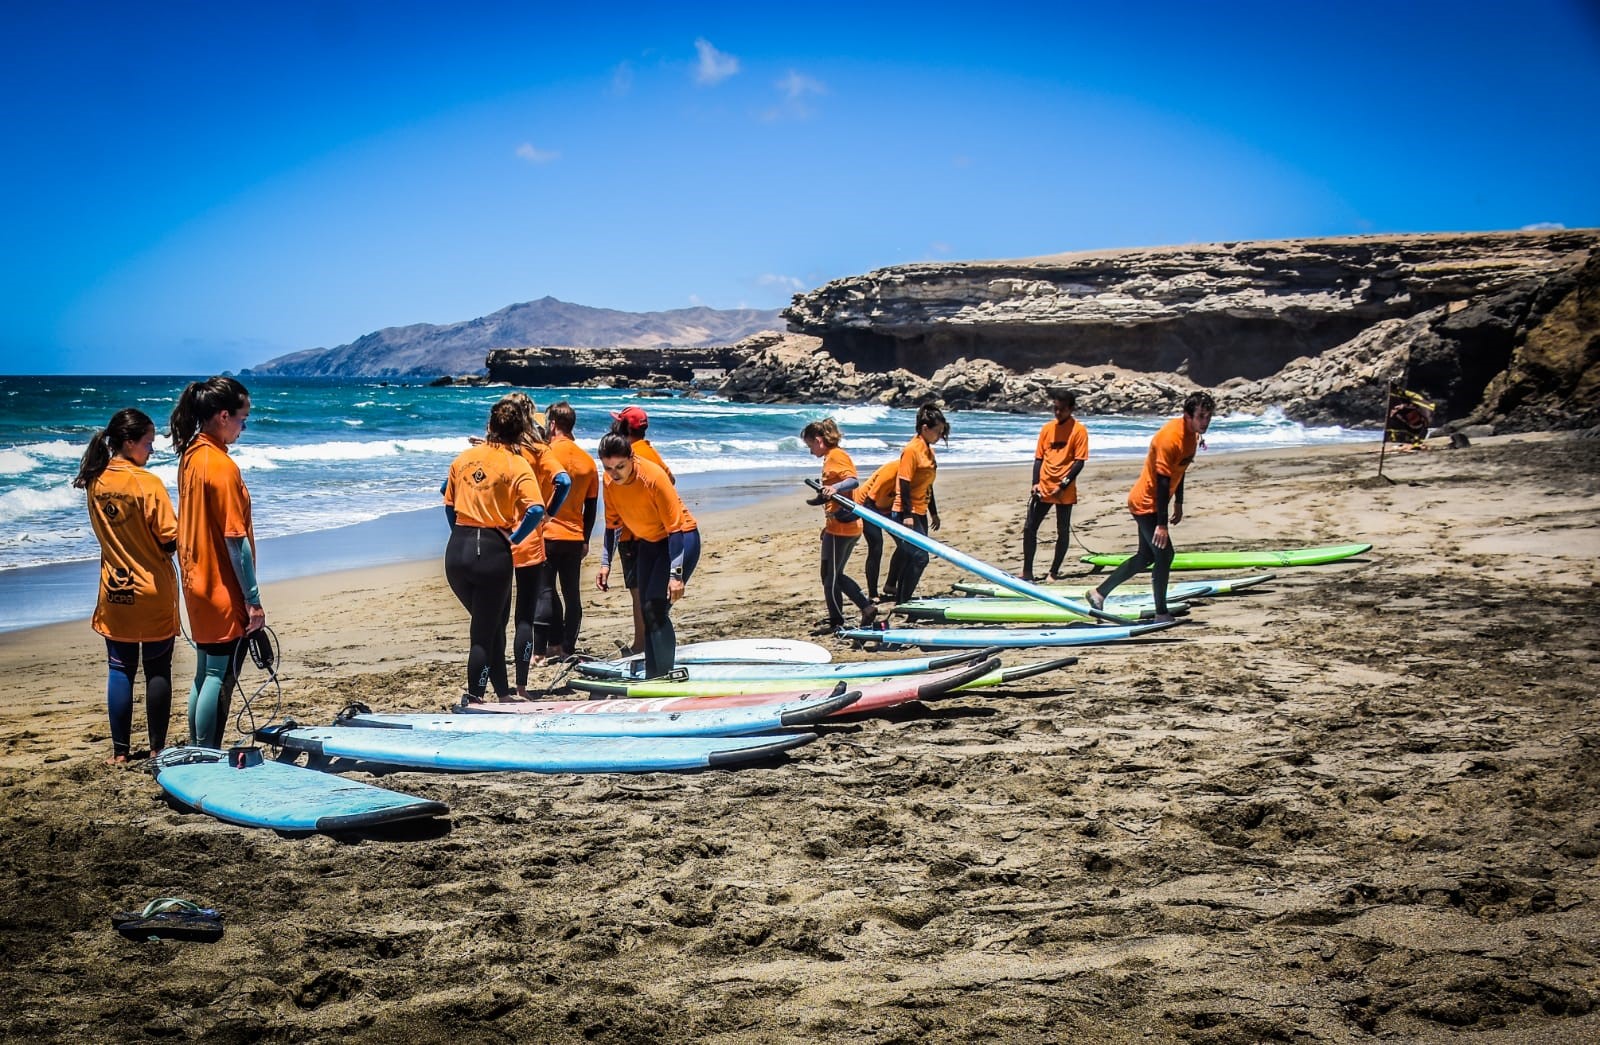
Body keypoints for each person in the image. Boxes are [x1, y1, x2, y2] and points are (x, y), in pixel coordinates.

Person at [74, 408, 178, 763]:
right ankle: (157, 748)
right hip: (151, 589)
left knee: (120, 668)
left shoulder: (94, 480)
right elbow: (168, 538)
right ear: (130, 442)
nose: (151, 451)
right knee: (157, 669)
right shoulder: (147, 483)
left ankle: (119, 753)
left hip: (114, 590)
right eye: (148, 443)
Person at [170, 376, 259, 748]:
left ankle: (196, 747)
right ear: (223, 416)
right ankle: (206, 752)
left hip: (196, 582)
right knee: (218, 677)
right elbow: (234, 541)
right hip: (222, 585)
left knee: (204, 671)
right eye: (242, 417)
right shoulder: (221, 466)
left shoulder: (191, 455)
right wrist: (253, 600)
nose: (243, 426)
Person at [442, 399, 546, 703]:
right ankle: (475, 699)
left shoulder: (463, 458)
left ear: (490, 425)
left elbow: (449, 505)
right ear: (520, 431)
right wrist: (515, 538)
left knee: (491, 625)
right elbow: (536, 509)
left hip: (456, 551)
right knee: (483, 635)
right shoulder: (516, 463)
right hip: (490, 554)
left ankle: (502, 694)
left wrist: (458, 534)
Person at [1087, 391, 1216, 622]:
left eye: (1209, 416)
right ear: (1187, 415)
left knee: (1146, 556)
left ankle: (1098, 593)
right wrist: (1161, 524)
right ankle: (1161, 613)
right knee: (1165, 555)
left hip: (1159, 502)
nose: (1205, 421)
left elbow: (1182, 468)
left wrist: (1179, 501)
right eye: (1201, 416)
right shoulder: (1169, 438)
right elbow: (1162, 480)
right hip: (1146, 503)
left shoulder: (1192, 436)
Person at [594, 433, 700, 679]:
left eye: (620, 466)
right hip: (649, 543)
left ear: (632, 458)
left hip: (680, 541)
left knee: (656, 607)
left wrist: (676, 577)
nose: (614, 473)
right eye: (608, 468)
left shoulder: (652, 477)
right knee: (646, 609)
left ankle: (663, 675)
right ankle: (655, 675)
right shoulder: (608, 481)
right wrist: (605, 563)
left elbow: (675, 529)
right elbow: (613, 525)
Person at [608, 405, 691, 656]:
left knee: (640, 594)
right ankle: (647, 644)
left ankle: (641, 645)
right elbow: (670, 479)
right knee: (647, 596)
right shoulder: (649, 451)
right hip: (653, 532)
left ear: (623, 427)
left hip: (636, 534)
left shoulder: (631, 455)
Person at [500, 394, 570, 694]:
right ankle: (521, 686)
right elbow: (564, 481)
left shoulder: (501, 449)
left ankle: (496, 688)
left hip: (498, 537)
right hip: (529, 539)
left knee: (496, 617)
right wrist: (547, 514)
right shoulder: (540, 450)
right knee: (524, 617)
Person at [537, 400, 598, 661]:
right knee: (572, 594)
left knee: (547, 590)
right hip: (574, 537)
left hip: (548, 534)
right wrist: (585, 539)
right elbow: (591, 507)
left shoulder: (546, 456)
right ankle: (568, 647)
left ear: (552, 425)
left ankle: (553, 643)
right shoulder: (588, 462)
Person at [802, 418, 876, 633]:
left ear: (819, 440)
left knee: (831, 576)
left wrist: (834, 488)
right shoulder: (831, 457)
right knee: (832, 575)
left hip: (843, 528)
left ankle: (861, 609)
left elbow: (852, 480)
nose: (810, 451)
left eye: (810, 446)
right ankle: (840, 617)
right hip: (837, 526)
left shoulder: (836, 456)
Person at [1020, 388, 1090, 582]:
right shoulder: (1047, 429)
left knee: (1062, 530)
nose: (1057, 413)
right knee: (1029, 527)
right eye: (1055, 409)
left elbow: (1079, 462)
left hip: (1064, 490)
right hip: (1044, 487)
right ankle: (1027, 571)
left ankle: (1053, 571)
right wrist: (1035, 483)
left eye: (1061, 409)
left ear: (1071, 409)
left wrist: (1063, 485)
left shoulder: (1079, 431)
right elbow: (1038, 458)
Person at [884, 403, 947, 605]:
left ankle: (902, 601)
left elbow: (927, 485)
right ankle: (904, 601)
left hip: (920, 511)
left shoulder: (928, 451)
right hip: (905, 512)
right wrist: (907, 514)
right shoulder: (911, 450)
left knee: (913, 558)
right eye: (937, 431)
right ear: (925, 428)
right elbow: (904, 482)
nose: (939, 436)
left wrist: (933, 513)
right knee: (920, 557)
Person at [852, 459, 899, 603]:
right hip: (867, 505)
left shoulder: (917, 473)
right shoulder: (891, 471)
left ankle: (890, 585)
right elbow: (871, 498)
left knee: (905, 544)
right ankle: (872, 593)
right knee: (876, 545)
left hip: (887, 506)